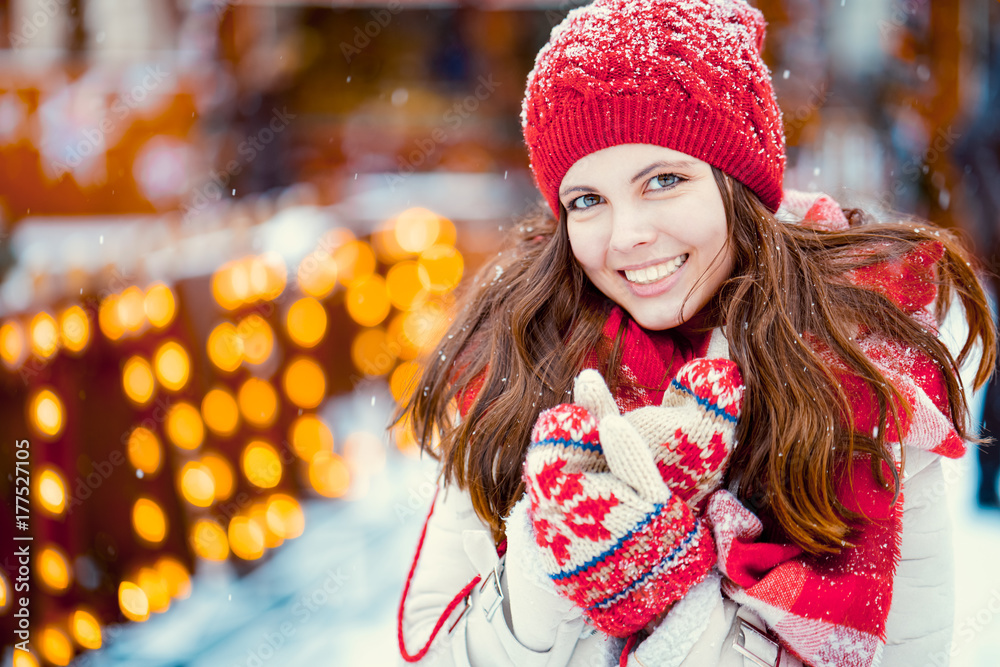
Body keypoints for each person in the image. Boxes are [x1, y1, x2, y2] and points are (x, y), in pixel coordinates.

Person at [395, 0, 997, 665]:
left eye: (663, 180)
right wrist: (547, 562)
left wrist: (676, 605)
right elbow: (434, 646)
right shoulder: (520, 354)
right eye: (587, 200)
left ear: (738, 184)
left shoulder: (856, 365)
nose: (626, 235)